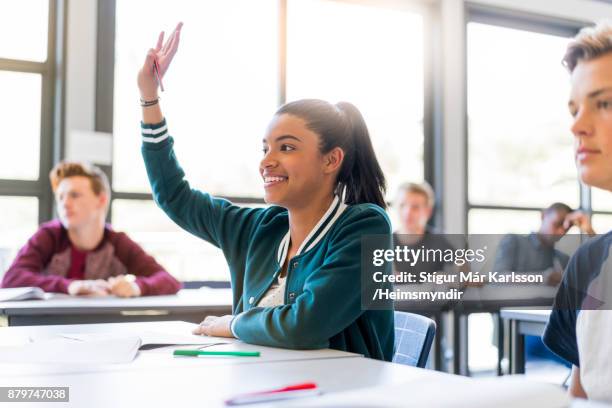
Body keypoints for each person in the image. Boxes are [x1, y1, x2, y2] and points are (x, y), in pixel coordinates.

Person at [136, 23, 394, 360]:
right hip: (264, 386)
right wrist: (148, 98)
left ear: (331, 160)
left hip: (342, 394)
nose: (267, 162)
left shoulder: (365, 227)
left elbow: (306, 325)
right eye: (265, 149)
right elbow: (173, 195)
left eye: (286, 148)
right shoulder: (259, 229)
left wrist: (235, 324)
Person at [542, 21, 612, 402]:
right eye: (574, 108)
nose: (577, 125)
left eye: (604, 103)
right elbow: (581, 396)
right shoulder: (589, 263)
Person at [1, 161, 181, 297]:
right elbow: (11, 279)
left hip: (100, 331)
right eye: (60, 197)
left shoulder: (117, 242)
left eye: (74, 195)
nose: (64, 203)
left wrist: (137, 287)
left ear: (101, 200)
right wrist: (69, 286)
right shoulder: (49, 236)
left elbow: (169, 281)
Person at [494, 202, 595, 365]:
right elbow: (498, 277)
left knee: (590, 346)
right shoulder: (514, 242)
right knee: (581, 354)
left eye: (566, 228)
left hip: (554, 326)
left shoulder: (561, 259)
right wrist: (543, 278)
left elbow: (599, 272)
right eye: (557, 225)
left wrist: (588, 230)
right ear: (542, 216)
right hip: (519, 330)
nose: (561, 231)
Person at [392, 181, 457, 276]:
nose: (407, 212)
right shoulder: (384, 244)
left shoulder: (440, 241)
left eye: (415, 207)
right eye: (402, 205)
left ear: (428, 211)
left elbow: (466, 274)